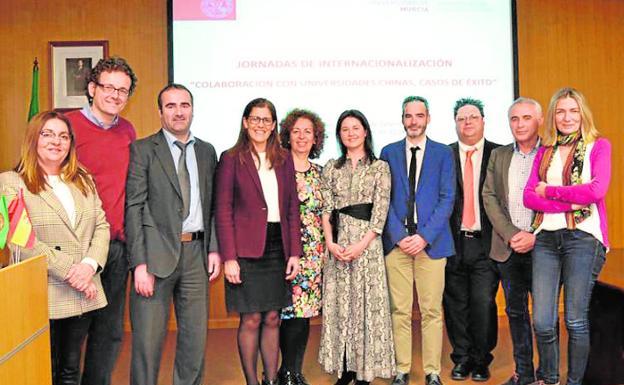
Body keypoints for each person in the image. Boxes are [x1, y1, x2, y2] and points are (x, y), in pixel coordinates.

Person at [0, 111, 109, 385]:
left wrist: (89, 266)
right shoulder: (12, 182)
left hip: (83, 288)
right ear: (33, 139)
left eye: (63, 136)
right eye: (47, 134)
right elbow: (20, 241)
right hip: (42, 290)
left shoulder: (82, 178)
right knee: (40, 371)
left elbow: (102, 226)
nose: (56, 141)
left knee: (70, 370)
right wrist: (73, 271)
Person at [125, 84, 221, 385]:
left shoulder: (206, 151)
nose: (178, 111)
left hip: (196, 255)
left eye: (184, 105)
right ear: (160, 111)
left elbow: (213, 205)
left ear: (192, 109)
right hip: (154, 256)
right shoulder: (143, 150)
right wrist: (139, 264)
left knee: (194, 340)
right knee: (147, 344)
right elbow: (134, 208)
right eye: (171, 106)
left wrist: (214, 249)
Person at [524, 87, 611, 385]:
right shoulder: (545, 151)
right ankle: (548, 379)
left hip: (583, 238)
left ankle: (574, 382)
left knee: (575, 319)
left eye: (573, 110)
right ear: (552, 116)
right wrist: (572, 200)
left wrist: (549, 191)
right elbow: (527, 197)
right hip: (546, 239)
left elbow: (596, 191)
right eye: (560, 111)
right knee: (543, 321)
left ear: (582, 113)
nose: (567, 117)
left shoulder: (598, 146)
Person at [215, 98, 302, 385]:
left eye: (266, 120)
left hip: (279, 246)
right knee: (251, 318)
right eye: (255, 119)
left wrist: (295, 253)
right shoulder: (230, 158)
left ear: (274, 125)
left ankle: (272, 379)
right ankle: (252, 381)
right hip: (246, 251)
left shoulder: (285, 158)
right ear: (245, 122)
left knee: (273, 317)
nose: (260, 125)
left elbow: (291, 208)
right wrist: (229, 257)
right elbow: (223, 209)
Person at [65, 56, 137, 385]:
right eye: (109, 87)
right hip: (77, 250)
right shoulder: (66, 128)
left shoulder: (128, 131)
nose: (115, 95)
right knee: (72, 332)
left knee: (108, 333)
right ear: (92, 88)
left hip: (116, 248)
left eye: (123, 90)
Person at [380, 96, 456, 385]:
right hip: (396, 245)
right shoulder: (388, 152)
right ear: (402, 119)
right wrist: (400, 237)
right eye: (408, 116)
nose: (413, 121)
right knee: (398, 310)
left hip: (432, 245)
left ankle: (432, 371)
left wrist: (423, 236)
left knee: (431, 311)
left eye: (419, 115)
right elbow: (382, 198)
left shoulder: (442, 153)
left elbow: (447, 198)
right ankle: (402, 369)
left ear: (428, 118)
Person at [318, 109, 395, 385]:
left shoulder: (380, 167)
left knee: (365, 307)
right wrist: (330, 243)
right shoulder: (330, 168)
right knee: (342, 307)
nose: (350, 133)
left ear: (365, 131)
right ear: (339, 135)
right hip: (337, 245)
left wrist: (362, 245)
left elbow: (381, 211)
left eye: (355, 128)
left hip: (368, 246)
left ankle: (364, 371)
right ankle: (345, 367)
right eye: (344, 129)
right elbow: (326, 210)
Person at [482, 97, 543, 385]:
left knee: (545, 318)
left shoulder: (552, 154)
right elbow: (489, 196)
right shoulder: (500, 155)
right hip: (508, 247)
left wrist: (533, 234)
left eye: (526, 118)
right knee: (516, 313)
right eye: (514, 119)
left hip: (544, 248)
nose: (519, 124)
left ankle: (547, 374)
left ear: (539, 120)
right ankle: (524, 372)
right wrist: (511, 234)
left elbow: (558, 199)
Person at [444, 97, 500, 382]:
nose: (467, 122)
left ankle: (481, 358)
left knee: (482, 303)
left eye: (473, 117)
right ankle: (462, 358)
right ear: (455, 123)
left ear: (483, 121)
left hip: (486, 242)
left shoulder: (499, 154)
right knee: (455, 304)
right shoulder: (444, 154)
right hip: (452, 241)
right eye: (461, 118)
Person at [277, 109, 327, 385]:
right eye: (296, 130)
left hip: (313, 254)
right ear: (287, 135)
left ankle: (294, 371)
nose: (302, 136)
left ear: (316, 138)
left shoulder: (321, 173)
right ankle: (281, 371)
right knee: (283, 313)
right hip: (283, 251)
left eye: (308, 131)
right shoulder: (277, 168)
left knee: (303, 314)